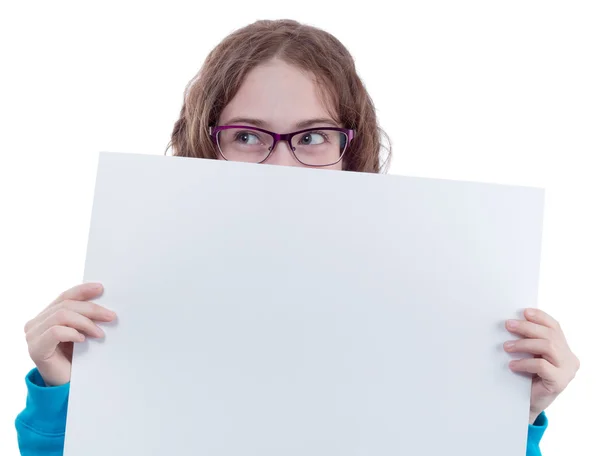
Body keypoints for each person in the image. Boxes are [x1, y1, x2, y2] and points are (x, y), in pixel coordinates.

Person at [15, 19, 580, 456]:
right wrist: (63, 394)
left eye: (312, 136)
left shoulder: (436, 298)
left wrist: (511, 415)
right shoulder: (136, 293)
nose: (280, 165)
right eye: (246, 135)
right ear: (204, 142)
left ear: (350, 151)